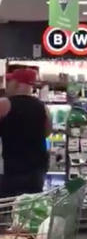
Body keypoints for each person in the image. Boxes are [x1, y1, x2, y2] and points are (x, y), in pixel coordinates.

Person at [0, 68, 51, 198]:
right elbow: (47, 132)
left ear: (17, 84)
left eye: (10, 81)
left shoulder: (4, 104)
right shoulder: (43, 107)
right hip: (37, 169)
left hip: (12, 169)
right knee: (29, 206)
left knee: (8, 206)